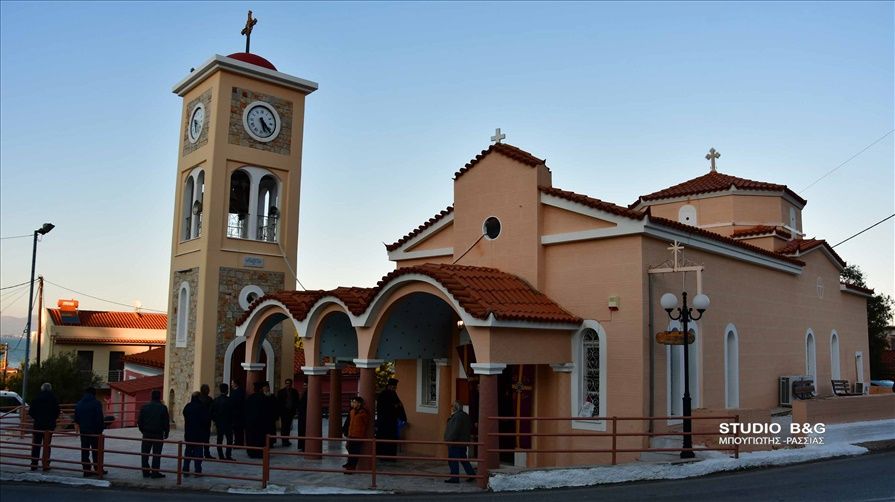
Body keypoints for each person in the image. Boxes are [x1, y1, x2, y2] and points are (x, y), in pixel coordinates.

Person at [73, 387, 106, 477]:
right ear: (94, 394)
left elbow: (76, 418)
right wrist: (100, 430)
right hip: (94, 431)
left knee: (85, 451)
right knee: (96, 451)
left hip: (83, 431)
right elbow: (99, 418)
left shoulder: (79, 403)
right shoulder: (96, 403)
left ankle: (86, 470)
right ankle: (98, 469)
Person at [138, 389, 170, 478]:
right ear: (159, 397)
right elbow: (166, 422)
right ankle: (155, 472)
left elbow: (140, 421)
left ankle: (145, 472)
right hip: (158, 434)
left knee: (145, 454)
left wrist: (143, 430)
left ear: (151, 396)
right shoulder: (163, 408)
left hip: (147, 433)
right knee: (156, 454)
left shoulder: (144, 407)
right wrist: (166, 432)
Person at [28, 382, 60, 471]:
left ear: (42, 388)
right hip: (49, 425)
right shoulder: (54, 398)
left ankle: (34, 464)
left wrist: (37, 418)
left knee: (36, 444)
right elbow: (57, 412)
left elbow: (31, 412)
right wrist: (52, 419)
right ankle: (46, 464)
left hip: (38, 424)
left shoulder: (36, 398)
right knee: (47, 445)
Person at [443, 400, 477, 483]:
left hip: (455, 442)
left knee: (453, 460)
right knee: (463, 459)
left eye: (452, 406)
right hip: (462, 442)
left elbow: (455, 430)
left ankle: (455, 478)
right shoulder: (465, 415)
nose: (451, 408)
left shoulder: (457, 417)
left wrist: (449, 440)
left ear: (455, 407)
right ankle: (471, 474)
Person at [375, 378, 407, 458]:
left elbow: (399, 405)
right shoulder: (383, 394)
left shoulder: (393, 394)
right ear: (389, 386)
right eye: (393, 387)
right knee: (384, 439)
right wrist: (395, 406)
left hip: (392, 422)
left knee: (391, 439)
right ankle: (382, 456)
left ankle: (390, 456)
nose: (394, 389)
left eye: (395, 387)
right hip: (384, 421)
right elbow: (384, 407)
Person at [183, 391, 210, 476]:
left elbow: (185, 415)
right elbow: (206, 420)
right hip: (199, 434)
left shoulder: (187, 406)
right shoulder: (202, 407)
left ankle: (185, 470)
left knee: (188, 453)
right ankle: (197, 471)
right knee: (198, 454)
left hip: (189, 433)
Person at [343, 396, 370, 472]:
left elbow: (366, 423)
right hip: (351, 434)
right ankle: (349, 464)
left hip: (358, 435)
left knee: (355, 451)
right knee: (350, 449)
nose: (353, 403)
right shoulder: (352, 411)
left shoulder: (363, 412)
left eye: (354, 402)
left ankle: (352, 467)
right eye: (352, 402)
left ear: (359, 403)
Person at [212, 383, 234, 460]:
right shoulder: (230, 400)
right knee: (229, 439)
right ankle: (228, 455)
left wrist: (216, 420)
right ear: (227, 390)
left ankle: (221, 455)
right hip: (228, 423)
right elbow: (232, 413)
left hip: (219, 423)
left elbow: (212, 412)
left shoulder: (216, 400)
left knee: (219, 439)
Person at [244, 381, 266, 458]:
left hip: (250, 421)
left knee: (251, 437)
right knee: (259, 438)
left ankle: (251, 452)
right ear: (261, 389)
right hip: (260, 422)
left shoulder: (250, 398)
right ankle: (259, 452)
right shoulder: (263, 398)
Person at [276, 378, 299, 447]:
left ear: (291, 384)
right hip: (283, 412)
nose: (288, 385)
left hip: (290, 411)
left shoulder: (294, 392)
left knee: (288, 426)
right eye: (286, 383)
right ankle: (284, 440)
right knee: (284, 426)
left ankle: (287, 440)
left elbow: (296, 401)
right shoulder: (281, 392)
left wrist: (295, 410)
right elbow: (278, 403)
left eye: (289, 383)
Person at [198, 383, 214, 459]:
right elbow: (211, 411)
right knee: (206, 438)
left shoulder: (198, 399)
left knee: (199, 437)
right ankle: (206, 453)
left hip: (199, 421)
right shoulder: (209, 399)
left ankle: (199, 453)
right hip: (206, 421)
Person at [229, 379, 246, 448]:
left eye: (232, 383)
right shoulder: (235, 391)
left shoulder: (239, 392)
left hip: (238, 413)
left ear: (236, 384)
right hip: (236, 413)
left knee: (238, 429)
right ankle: (238, 442)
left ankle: (239, 443)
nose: (231, 384)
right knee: (237, 429)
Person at [262, 381, 279, 448]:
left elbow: (276, 407)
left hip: (271, 417)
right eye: (266, 387)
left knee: (271, 430)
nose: (267, 389)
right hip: (264, 417)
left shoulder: (272, 396)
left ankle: (271, 443)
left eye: (268, 387)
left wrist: (276, 416)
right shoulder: (261, 396)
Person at [295, 381, 308, 451]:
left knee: (304, 431)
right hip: (301, 415)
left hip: (305, 415)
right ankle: (302, 446)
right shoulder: (303, 393)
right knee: (301, 431)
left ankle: (304, 446)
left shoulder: (308, 393)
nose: (304, 387)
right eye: (304, 385)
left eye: (306, 385)